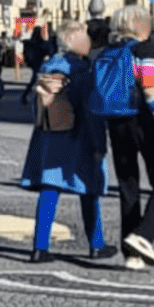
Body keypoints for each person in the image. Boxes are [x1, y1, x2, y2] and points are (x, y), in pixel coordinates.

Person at [21, 20, 105, 262]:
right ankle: (96, 244)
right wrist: (99, 142)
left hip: (48, 136)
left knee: (50, 188)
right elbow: (89, 109)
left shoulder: (47, 67)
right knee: (89, 189)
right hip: (77, 136)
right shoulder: (80, 70)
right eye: (85, 36)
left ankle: (40, 246)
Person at [100, 5, 154, 271]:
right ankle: (143, 237)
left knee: (128, 185)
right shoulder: (144, 51)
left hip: (116, 121)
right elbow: (153, 93)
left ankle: (130, 253)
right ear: (137, 25)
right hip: (143, 120)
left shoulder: (108, 51)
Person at [21, 25, 50, 105]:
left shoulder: (30, 42)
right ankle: (28, 96)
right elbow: (46, 52)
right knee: (37, 79)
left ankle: (25, 95)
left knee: (34, 79)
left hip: (33, 62)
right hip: (39, 62)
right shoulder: (40, 42)